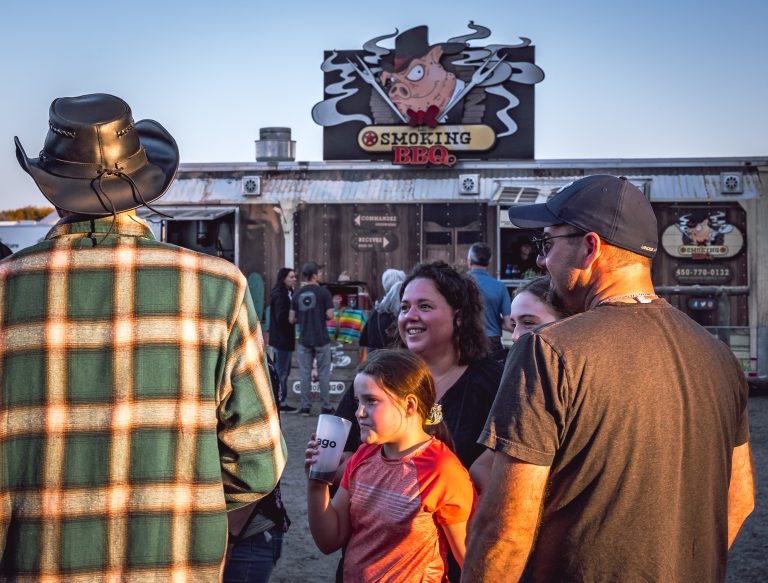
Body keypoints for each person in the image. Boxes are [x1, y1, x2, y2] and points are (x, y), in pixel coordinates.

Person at [2, 93, 286, 580]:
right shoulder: (219, 287)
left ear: (51, 190)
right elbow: (257, 461)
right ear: (142, 187)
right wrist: (180, 501)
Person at [463, 175, 755, 582]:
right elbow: (739, 500)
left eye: (548, 244)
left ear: (589, 247)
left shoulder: (548, 351)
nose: (541, 261)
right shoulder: (721, 357)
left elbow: (506, 530)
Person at [305, 349, 475, 582]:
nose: (359, 413)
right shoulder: (364, 455)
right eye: (358, 401)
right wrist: (317, 484)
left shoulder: (441, 469)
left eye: (371, 401)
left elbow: (472, 561)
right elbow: (329, 540)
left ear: (410, 406)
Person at [468, 275, 566, 494]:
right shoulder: (520, 378)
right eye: (514, 324)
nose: (515, 336)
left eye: (528, 323)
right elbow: (484, 466)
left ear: (566, 323)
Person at [290, 261, 335, 416]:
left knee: (304, 374)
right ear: (315, 275)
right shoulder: (324, 293)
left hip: (304, 340)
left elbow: (291, 319)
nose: (321, 275)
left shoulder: (296, 294)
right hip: (322, 338)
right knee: (323, 374)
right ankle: (326, 406)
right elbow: (330, 315)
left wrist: (304, 317)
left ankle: (305, 407)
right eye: (319, 273)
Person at [467, 242, 513, 356]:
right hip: (492, 342)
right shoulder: (500, 287)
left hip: (466, 339)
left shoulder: (459, 283)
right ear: (488, 262)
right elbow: (508, 324)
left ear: (469, 261)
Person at [269, 267, 298, 412]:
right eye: (291, 277)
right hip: (282, 339)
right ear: (283, 279)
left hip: (285, 339)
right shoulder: (280, 295)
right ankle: (281, 401)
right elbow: (281, 318)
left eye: (294, 277)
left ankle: (281, 400)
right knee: (282, 372)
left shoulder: (289, 292)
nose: (294, 279)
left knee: (283, 371)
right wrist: (294, 318)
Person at [359, 268, 406, 352]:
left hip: (376, 360)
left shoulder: (377, 310)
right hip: (399, 360)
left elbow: (364, 340)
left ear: (384, 285)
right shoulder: (405, 310)